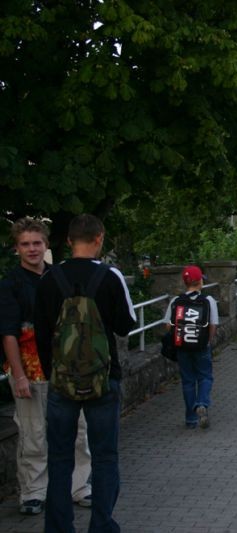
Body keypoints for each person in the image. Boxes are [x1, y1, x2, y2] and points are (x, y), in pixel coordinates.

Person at [34, 214, 136, 533]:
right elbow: (126, 324)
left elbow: (40, 333)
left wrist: (54, 371)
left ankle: (59, 527)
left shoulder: (49, 279)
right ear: (99, 238)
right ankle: (102, 525)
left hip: (61, 382)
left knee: (60, 458)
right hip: (103, 379)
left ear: (67, 241)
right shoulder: (111, 276)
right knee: (105, 456)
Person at [0, 218, 92, 516]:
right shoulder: (10, 284)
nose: (32, 249)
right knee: (33, 433)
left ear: (46, 244)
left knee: (78, 430)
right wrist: (19, 375)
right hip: (30, 369)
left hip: (66, 369)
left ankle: (80, 486)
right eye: (25, 244)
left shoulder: (60, 277)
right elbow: (9, 333)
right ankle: (34, 492)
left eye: (36, 243)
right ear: (17, 248)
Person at [163, 265, 219, 429]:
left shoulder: (176, 301)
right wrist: (207, 340)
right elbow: (213, 325)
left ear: (185, 282)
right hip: (201, 346)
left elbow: (168, 325)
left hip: (182, 347)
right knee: (205, 377)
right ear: (200, 281)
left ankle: (190, 419)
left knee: (188, 381)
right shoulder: (208, 301)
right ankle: (201, 403)